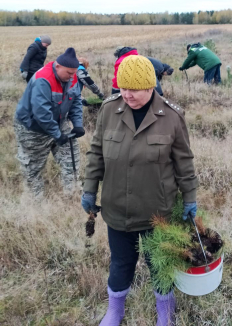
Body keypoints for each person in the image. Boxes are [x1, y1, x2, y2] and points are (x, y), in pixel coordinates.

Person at [81, 55, 198, 326]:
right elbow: (96, 152)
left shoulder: (171, 117)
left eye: (134, 89)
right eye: (123, 88)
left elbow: (184, 162)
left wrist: (190, 196)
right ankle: (115, 310)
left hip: (157, 210)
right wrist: (89, 189)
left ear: (150, 87)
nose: (127, 95)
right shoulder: (110, 110)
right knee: (121, 263)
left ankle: (165, 312)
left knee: (159, 263)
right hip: (117, 207)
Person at [14, 48, 84, 199]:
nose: (72, 77)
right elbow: (41, 113)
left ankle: (72, 196)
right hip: (33, 128)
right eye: (69, 73)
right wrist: (57, 135)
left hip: (59, 122)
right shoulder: (43, 79)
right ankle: (36, 204)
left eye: (74, 73)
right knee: (33, 168)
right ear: (57, 66)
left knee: (71, 160)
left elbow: (77, 100)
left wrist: (78, 124)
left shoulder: (72, 77)